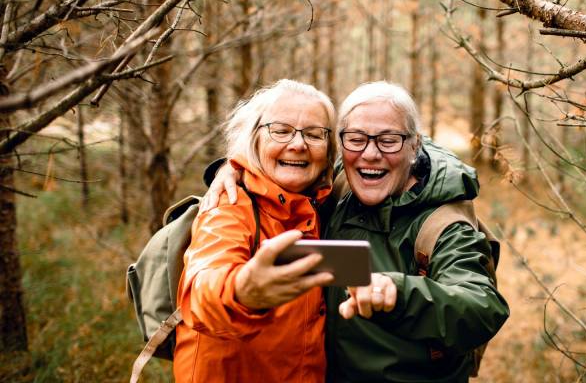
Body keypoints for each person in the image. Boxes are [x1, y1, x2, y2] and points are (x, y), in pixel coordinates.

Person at [206, 81, 509, 382]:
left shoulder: (443, 225)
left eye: (388, 140)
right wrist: (235, 168)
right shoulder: (338, 188)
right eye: (356, 139)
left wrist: (400, 294)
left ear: (415, 145)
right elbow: (285, 159)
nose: (370, 154)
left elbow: (482, 307)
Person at [174, 79, 337, 383]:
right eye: (281, 131)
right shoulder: (230, 204)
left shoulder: (325, 203)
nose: (298, 144)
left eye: (314, 134)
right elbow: (203, 286)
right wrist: (241, 292)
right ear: (255, 139)